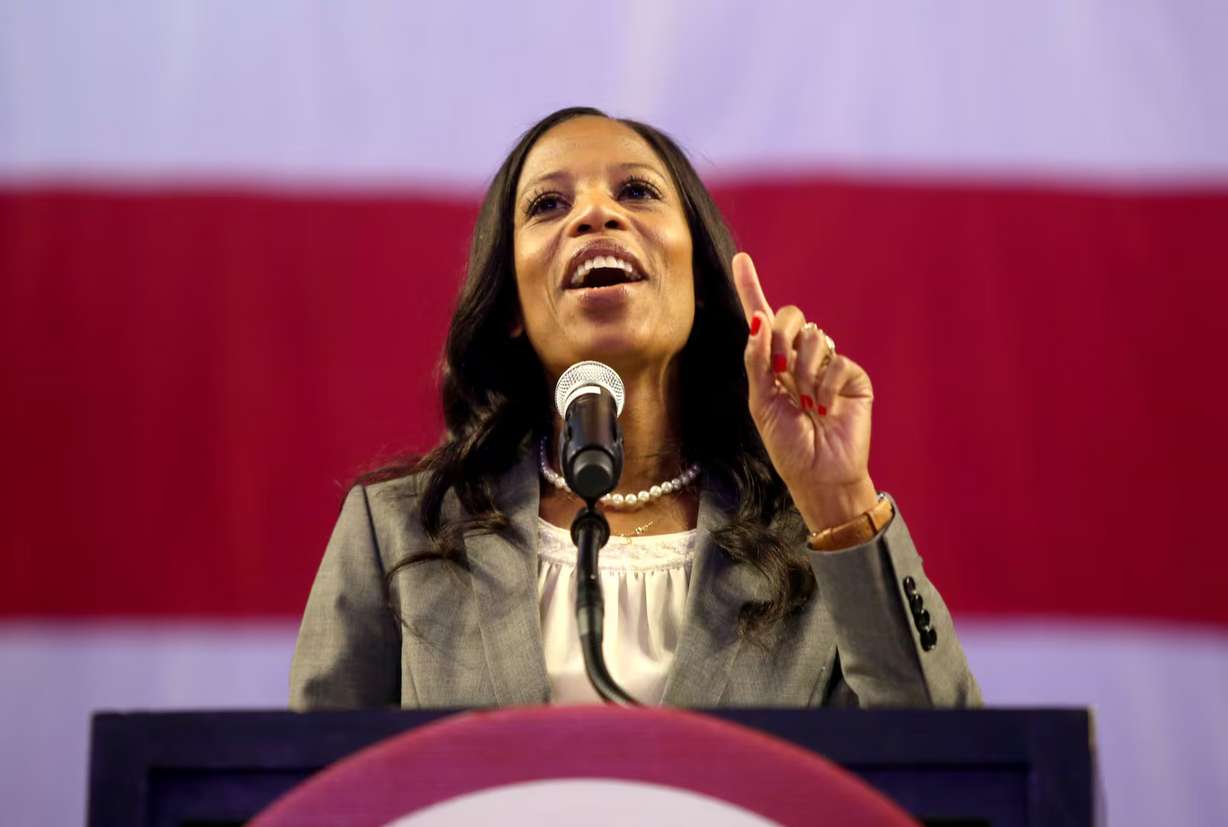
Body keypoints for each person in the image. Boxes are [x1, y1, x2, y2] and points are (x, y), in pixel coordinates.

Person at [290, 107, 981, 709]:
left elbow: (949, 779)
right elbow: (316, 796)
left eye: (637, 191)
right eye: (548, 205)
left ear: (699, 278)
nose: (597, 212)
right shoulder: (399, 533)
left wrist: (839, 500)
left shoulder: (817, 545)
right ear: (509, 308)